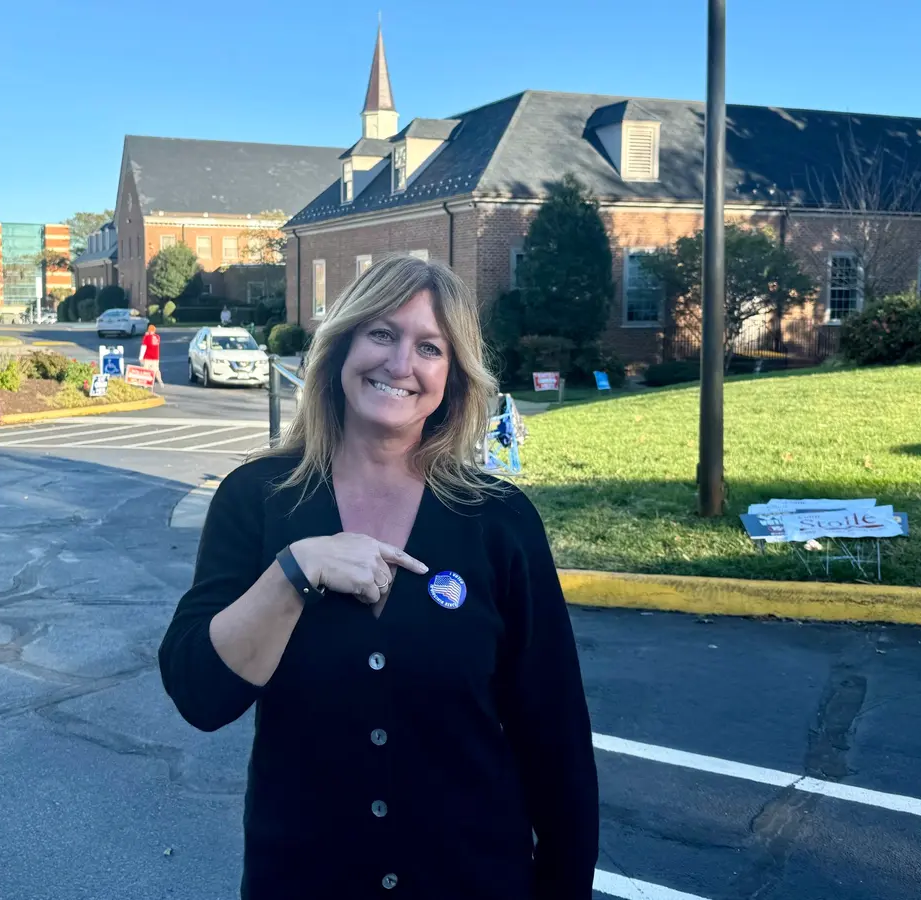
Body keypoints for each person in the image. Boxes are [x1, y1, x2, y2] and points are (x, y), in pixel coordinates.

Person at [158, 254, 598, 899]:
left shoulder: (499, 521)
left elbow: (555, 737)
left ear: (453, 376)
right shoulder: (258, 499)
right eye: (382, 334)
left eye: (430, 348)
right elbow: (201, 695)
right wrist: (294, 572)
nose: (400, 364)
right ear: (342, 347)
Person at [138, 323, 164, 390]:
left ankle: (145, 385)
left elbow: (143, 347)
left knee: (145, 371)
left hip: (147, 357)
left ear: (148, 330)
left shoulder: (146, 337)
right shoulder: (158, 337)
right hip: (156, 357)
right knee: (156, 370)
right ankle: (160, 381)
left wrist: (140, 357)